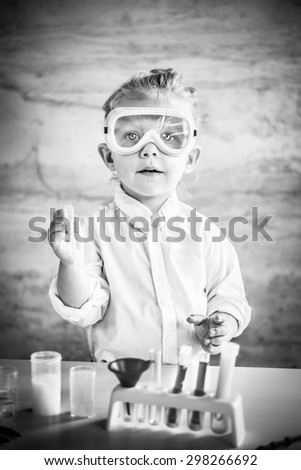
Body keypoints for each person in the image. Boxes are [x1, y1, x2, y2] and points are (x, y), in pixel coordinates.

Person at [48, 68, 251, 364]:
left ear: (190, 159)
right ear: (109, 157)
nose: (150, 150)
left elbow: (230, 297)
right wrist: (69, 262)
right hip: (118, 385)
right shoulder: (90, 229)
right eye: (131, 136)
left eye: (169, 137)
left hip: (187, 384)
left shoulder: (206, 233)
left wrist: (224, 322)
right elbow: (84, 309)